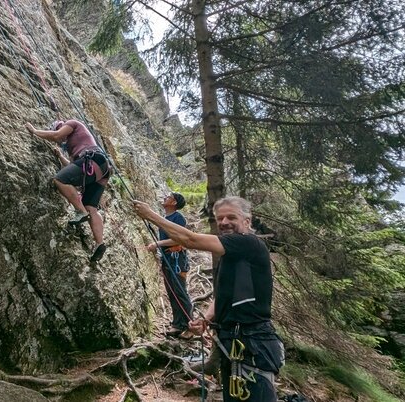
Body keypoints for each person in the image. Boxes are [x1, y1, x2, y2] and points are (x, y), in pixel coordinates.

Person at [133, 196, 284, 402]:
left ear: (247, 222)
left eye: (232, 217)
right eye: (220, 218)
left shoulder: (249, 243)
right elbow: (223, 294)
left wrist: (150, 215)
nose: (224, 223)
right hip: (234, 341)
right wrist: (206, 318)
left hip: (253, 343)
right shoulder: (230, 255)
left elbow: (190, 240)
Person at [26, 120, 110, 262]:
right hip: (101, 169)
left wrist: (35, 131)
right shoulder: (74, 146)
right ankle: (99, 243)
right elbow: (74, 168)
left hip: (92, 159)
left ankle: (80, 212)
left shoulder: (72, 124)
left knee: (59, 179)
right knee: (91, 208)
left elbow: (56, 135)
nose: (61, 141)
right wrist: (60, 156)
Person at [146, 192, 194, 339]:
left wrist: (158, 244)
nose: (165, 197)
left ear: (174, 203)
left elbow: (178, 239)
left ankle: (190, 326)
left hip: (177, 260)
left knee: (180, 291)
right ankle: (177, 324)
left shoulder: (178, 218)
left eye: (169, 196)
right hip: (168, 259)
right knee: (172, 292)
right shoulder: (165, 218)